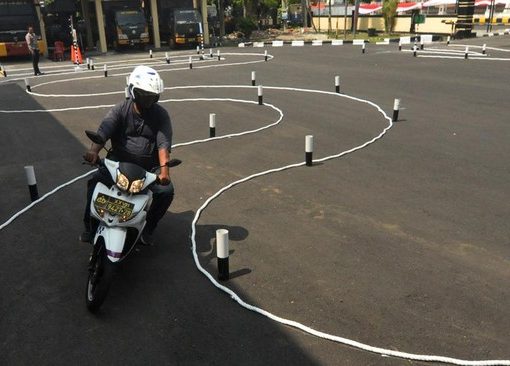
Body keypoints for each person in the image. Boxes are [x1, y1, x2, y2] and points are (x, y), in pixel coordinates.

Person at [81, 65, 174, 246]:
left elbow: (163, 144)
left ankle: (149, 228)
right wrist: (93, 151)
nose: (148, 101)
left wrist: (165, 171)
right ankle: (89, 226)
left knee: (166, 192)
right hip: (118, 163)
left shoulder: (161, 115)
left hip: (149, 168)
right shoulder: (120, 109)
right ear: (132, 91)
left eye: (152, 96)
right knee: (95, 183)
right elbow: (104, 131)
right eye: (144, 95)